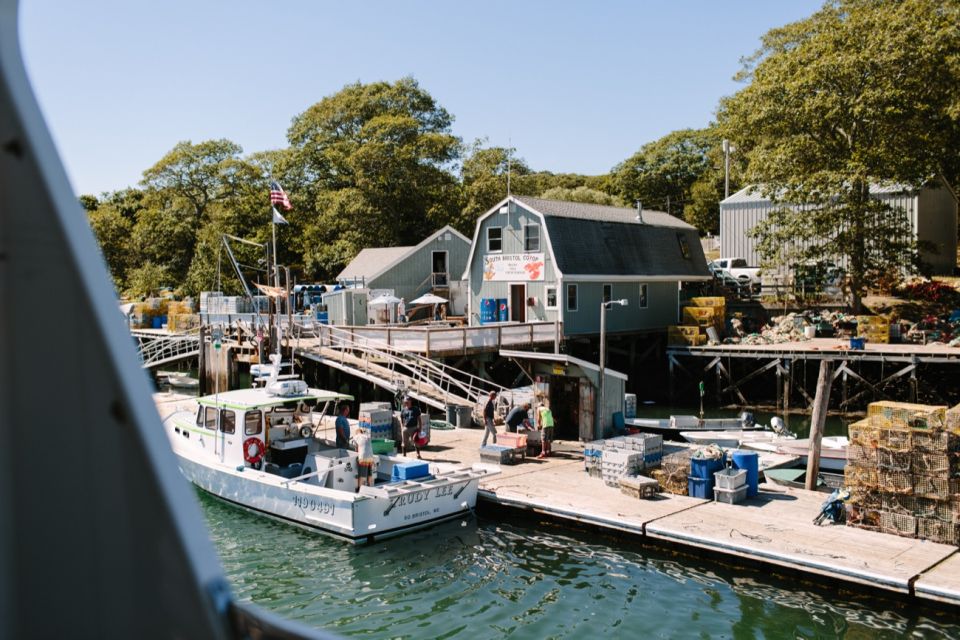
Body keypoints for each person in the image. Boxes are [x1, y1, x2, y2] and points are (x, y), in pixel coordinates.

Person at [351, 426, 375, 491]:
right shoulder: (367, 436)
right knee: (369, 473)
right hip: (371, 457)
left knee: (361, 475)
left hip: (363, 457)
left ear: (356, 433)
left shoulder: (356, 437)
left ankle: (359, 489)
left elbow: (355, 449)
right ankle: (370, 487)